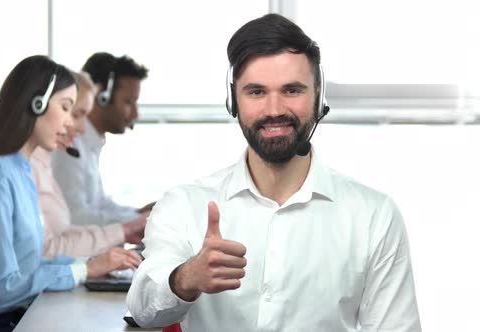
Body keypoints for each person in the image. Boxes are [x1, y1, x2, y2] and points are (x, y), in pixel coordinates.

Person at [127, 13, 422, 331]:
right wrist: (186, 277)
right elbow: (144, 312)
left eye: (292, 90)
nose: (274, 110)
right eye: (256, 92)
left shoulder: (373, 215)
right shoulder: (184, 204)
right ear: (233, 100)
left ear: (318, 96)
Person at [0, 55, 139, 332]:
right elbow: (4, 287)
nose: (71, 124)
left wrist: (91, 263)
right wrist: (85, 270)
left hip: (1, 313)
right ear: (36, 104)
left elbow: (30, 262)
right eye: (65, 107)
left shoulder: (21, 173)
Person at [31, 70, 146, 258]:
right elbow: (47, 248)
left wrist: (135, 218)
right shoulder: (60, 155)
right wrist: (125, 229)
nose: (81, 127)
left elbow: (65, 232)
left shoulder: (44, 164)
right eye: (76, 113)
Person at [51, 52, 153, 228]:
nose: (135, 114)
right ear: (101, 97)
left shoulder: (89, 144)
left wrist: (138, 214)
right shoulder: (68, 147)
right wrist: (137, 222)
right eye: (129, 102)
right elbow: (75, 219)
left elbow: (99, 204)